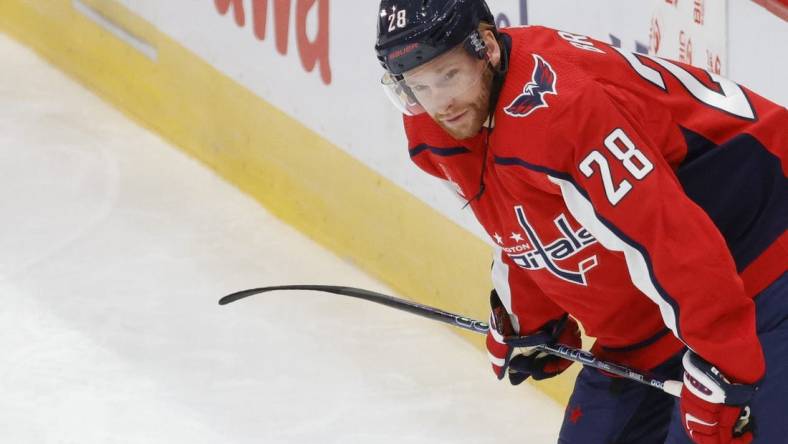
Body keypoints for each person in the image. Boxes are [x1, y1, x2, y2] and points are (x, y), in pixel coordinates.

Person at [374, 1, 787, 443]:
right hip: (663, 306)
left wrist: (727, 366)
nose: (440, 102)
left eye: (449, 75)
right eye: (417, 86)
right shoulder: (432, 126)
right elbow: (515, 214)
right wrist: (529, 319)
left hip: (763, 259)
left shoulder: (561, 111)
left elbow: (669, 233)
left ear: (487, 47)